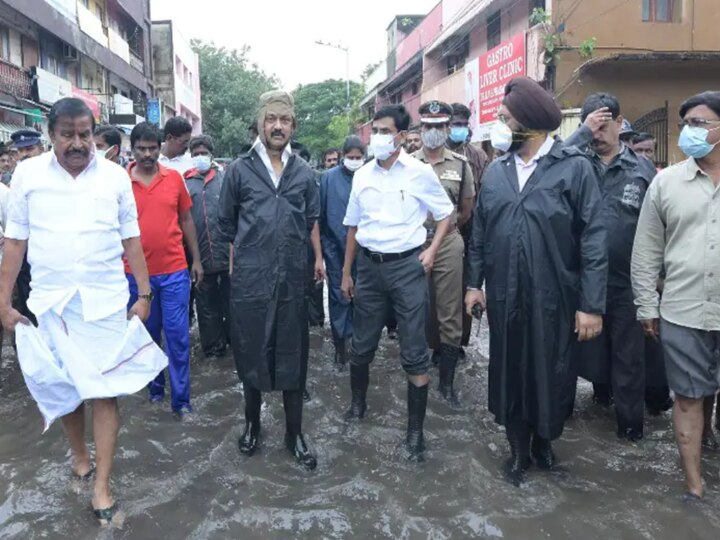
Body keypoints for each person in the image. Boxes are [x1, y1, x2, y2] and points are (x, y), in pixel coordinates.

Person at [0, 97, 166, 525]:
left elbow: (131, 239)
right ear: (52, 135)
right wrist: (2, 303)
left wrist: (144, 294)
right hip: (51, 301)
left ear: (95, 134)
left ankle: (102, 484)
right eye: (67, 135)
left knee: (103, 391)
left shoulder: (114, 177)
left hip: (104, 301)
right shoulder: (27, 175)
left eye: (84, 134)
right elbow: (15, 241)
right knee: (64, 386)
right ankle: (79, 457)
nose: (77, 143)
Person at [465, 77, 607, 486]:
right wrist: (474, 285)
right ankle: (517, 452)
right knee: (509, 368)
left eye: (505, 118)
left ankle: (546, 444)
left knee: (552, 370)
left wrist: (591, 304)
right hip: (506, 295)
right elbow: (479, 234)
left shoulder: (574, 168)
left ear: (529, 122)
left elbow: (594, 239)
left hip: (556, 296)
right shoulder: (496, 171)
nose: (498, 124)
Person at [341, 104, 454, 463]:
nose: (378, 138)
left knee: (415, 352)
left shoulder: (419, 173)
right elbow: (353, 228)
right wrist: (346, 272)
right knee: (361, 347)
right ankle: (358, 406)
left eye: (386, 131)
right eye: (375, 130)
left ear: (402, 137)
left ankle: (415, 434)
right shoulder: (362, 176)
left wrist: (432, 250)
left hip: (407, 268)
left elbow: (446, 214)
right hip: (370, 269)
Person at [218, 90, 324, 470]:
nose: (278, 126)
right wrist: (248, 257)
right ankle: (252, 424)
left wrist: (311, 260)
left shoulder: (304, 173)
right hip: (251, 281)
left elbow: (312, 218)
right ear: (260, 122)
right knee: (251, 350)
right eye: (271, 119)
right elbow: (225, 223)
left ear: (293, 125)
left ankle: (294, 433)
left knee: (294, 354)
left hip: (293, 280)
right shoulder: (238, 170)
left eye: (285, 119)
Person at [631, 91, 720, 500]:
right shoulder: (665, 182)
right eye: (685, 123)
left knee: (707, 398)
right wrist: (647, 305)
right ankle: (695, 487)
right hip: (683, 311)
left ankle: (709, 441)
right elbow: (646, 249)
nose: (689, 131)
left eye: (699, 123)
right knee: (687, 398)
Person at [566, 93, 655, 442]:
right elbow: (546, 165)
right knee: (571, 355)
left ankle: (630, 434)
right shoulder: (573, 163)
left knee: (629, 361)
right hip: (579, 279)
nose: (599, 133)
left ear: (621, 125)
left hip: (625, 282)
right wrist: (580, 134)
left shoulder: (642, 170)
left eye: (605, 125)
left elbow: (657, 226)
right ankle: (560, 425)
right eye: (593, 126)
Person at [127, 122, 204, 418]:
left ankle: (181, 401)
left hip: (174, 272)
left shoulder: (174, 179)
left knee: (178, 337)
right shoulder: (121, 182)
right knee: (147, 338)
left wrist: (195, 260)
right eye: (141, 148)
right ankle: (155, 391)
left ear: (160, 149)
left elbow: (186, 220)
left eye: (152, 148)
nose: (147, 154)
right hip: (135, 276)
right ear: (132, 149)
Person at [413, 101, 475, 406]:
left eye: (439, 126)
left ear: (448, 128)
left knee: (450, 312)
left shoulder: (461, 164)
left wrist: (444, 230)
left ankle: (446, 385)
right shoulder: (407, 163)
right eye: (428, 126)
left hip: (449, 242)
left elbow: (465, 210)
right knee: (414, 308)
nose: (433, 132)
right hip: (413, 243)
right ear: (420, 129)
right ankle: (416, 377)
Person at [320, 136, 365, 370]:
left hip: (365, 251)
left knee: (362, 300)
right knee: (339, 299)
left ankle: (359, 349)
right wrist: (322, 253)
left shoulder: (370, 176)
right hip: (335, 249)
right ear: (342, 156)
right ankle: (340, 350)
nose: (355, 161)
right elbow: (320, 216)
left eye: (359, 158)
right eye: (351, 157)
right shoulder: (328, 179)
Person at [448, 102, 489, 361]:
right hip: (437, 235)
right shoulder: (430, 154)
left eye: (463, 125)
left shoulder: (478, 157)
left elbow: (484, 197)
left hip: (470, 232)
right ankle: (435, 343)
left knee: (466, 287)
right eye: (455, 124)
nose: (459, 129)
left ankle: (458, 343)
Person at [185, 135, 231, 360]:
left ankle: (234, 342)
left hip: (227, 255)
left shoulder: (225, 178)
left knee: (232, 303)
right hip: (199, 257)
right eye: (195, 154)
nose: (199, 157)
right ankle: (213, 349)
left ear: (211, 154)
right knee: (205, 307)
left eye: (203, 153)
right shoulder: (186, 183)